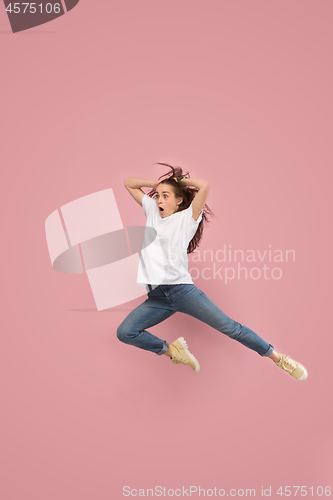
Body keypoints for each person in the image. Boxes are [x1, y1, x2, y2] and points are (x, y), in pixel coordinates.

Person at [117, 162, 308, 381]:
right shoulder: (152, 211)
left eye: (165, 196)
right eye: (157, 196)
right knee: (125, 332)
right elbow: (128, 183)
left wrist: (178, 182)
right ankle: (174, 352)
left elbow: (204, 185)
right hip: (157, 296)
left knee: (231, 328)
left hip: (181, 292)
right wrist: (157, 184)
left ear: (179, 200)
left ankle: (278, 358)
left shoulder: (185, 219)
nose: (159, 200)